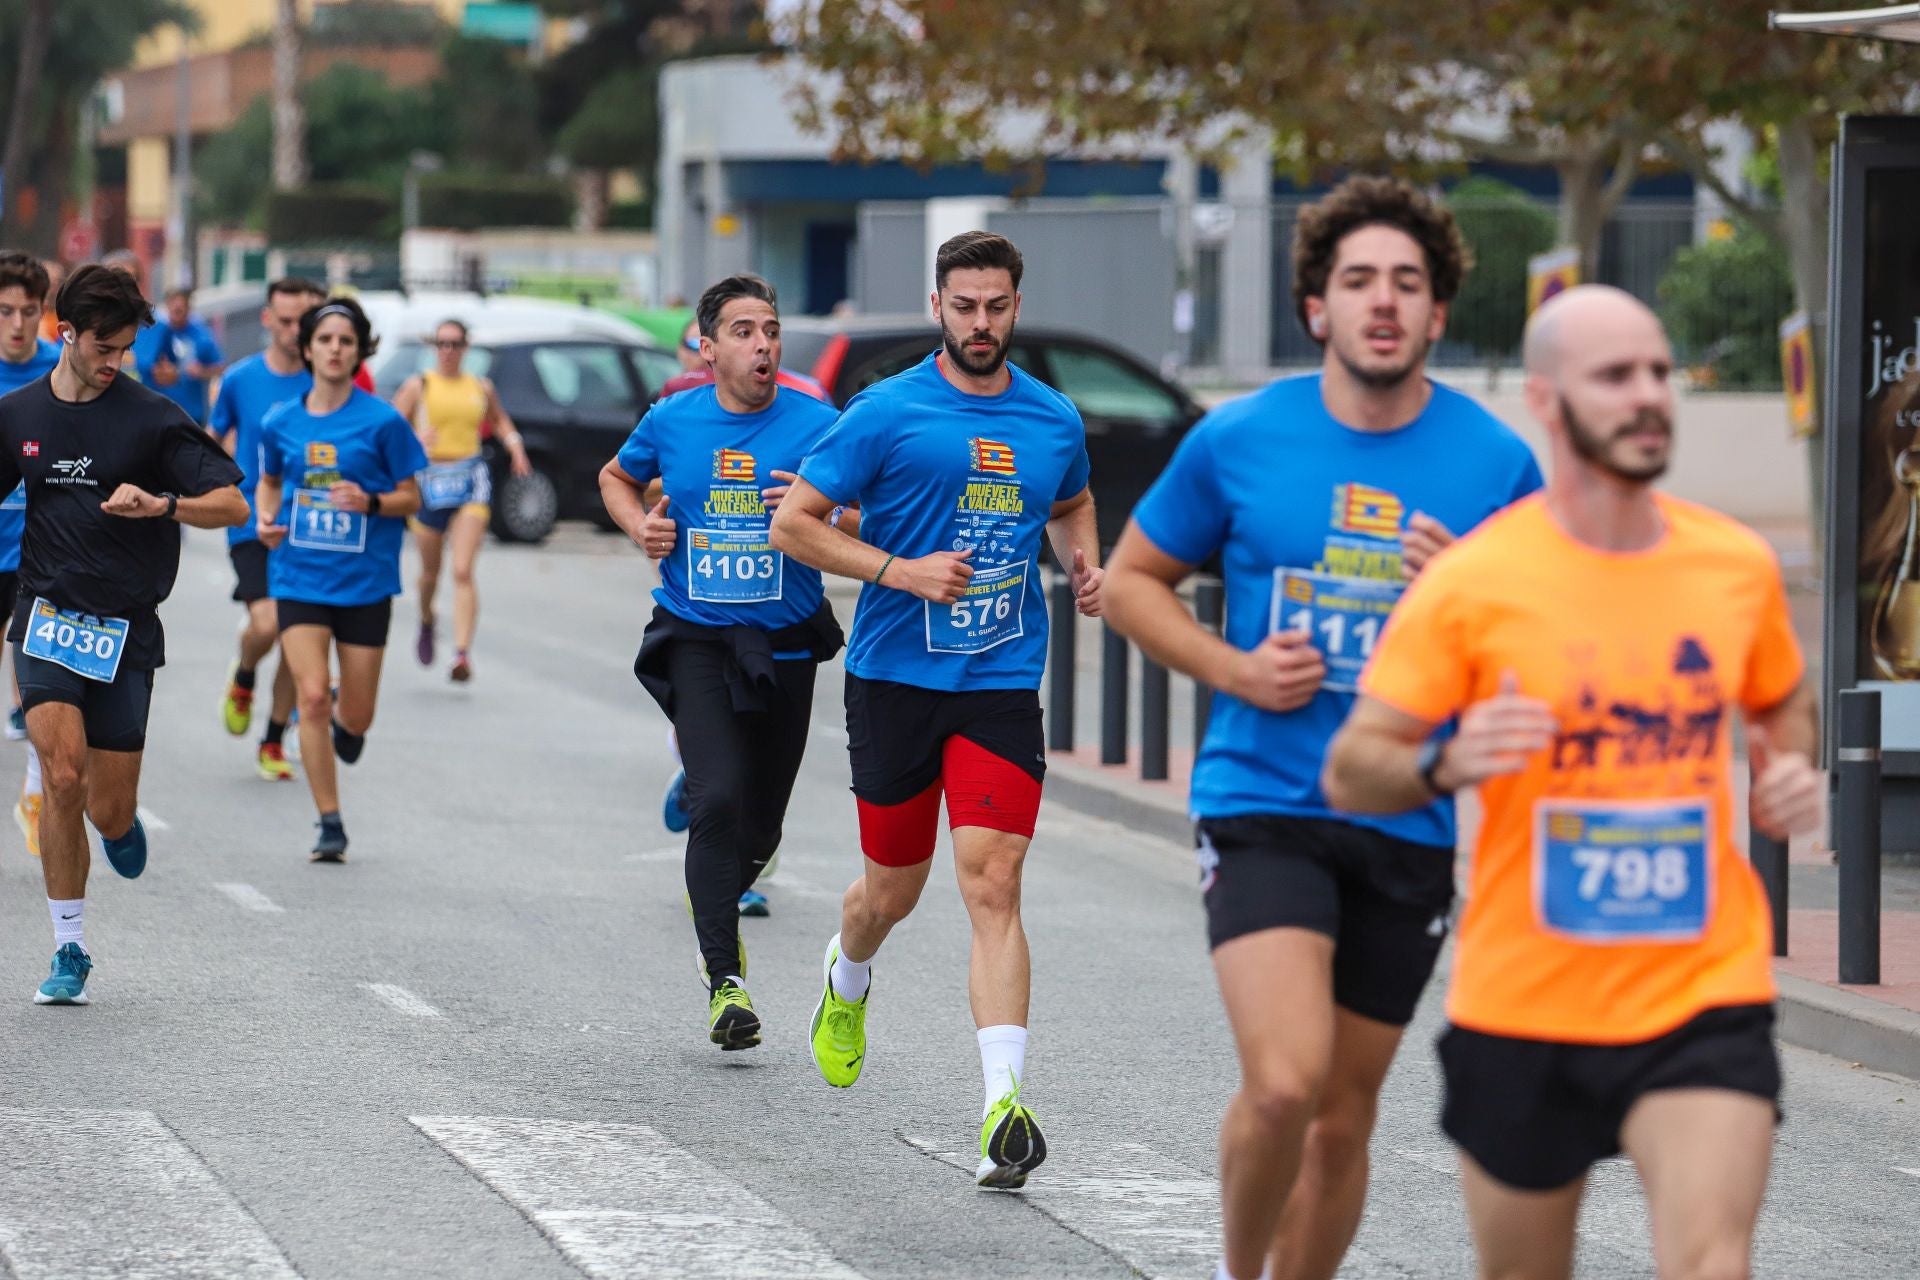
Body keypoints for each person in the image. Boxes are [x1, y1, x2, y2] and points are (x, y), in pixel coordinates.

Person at [1322, 285, 1824, 1280]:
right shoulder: (1473, 581)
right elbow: (1352, 768)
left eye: (1659, 372)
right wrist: (1447, 761)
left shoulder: (1734, 565)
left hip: (1701, 989)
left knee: (1714, 1262)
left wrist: (1788, 765)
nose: (1649, 395)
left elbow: (1782, 701)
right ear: (1548, 401)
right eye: (1615, 375)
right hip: (1525, 1001)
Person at [1101, 176, 1543, 1280]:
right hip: (1265, 799)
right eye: (1359, 280)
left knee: (1343, 1121)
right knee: (1284, 1082)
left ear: (1437, 313)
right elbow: (1133, 580)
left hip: (1407, 816)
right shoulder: (1241, 438)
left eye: (1407, 282)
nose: (1383, 300)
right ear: (1317, 307)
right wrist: (1235, 668)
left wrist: (1468, 597)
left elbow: (1550, 660)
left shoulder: (1498, 465)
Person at [769, 231, 1104, 1189]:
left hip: (1000, 681)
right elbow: (793, 524)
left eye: (996, 306)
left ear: (1015, 305)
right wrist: (899, 570)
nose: (981, 324)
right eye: (965, 307)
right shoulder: (887, 411)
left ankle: (1004, 1107)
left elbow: (1071, 502)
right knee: (892, 891)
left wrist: (1086, 563)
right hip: (895, 682)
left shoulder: (1052, 418)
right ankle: (847, 974)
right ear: (938, 307)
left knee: (994, 882)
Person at [600, 273, 848, 1050]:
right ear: (707, 349)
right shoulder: (673, 420)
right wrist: (640, 526)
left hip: (786, 642)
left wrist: (823, 510)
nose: (762, 344)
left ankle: (717, 892)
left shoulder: (818, 423)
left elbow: (872, 511)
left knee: (762, 826)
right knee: (717, 797)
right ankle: (724, 981)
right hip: (698, 635)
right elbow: (616, 476)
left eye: (770, 330)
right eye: (744, 331)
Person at [0, 264, 247, 1004]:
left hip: (124, 629)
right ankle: (68, 947)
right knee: (61, 775)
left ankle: (118, 825)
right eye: (103, 348)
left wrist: (165, 505)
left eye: (125, 350)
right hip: (45, 617)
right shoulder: (18, 416)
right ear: (66, 334)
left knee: (106, 806)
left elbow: (231, 504)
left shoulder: (151, 417)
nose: (115, 363)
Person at [256, 298, 428, 862]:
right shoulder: (280, 422)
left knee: (356, 716)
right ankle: (329, 822)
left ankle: (347, 724)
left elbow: (412, 496)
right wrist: (265, 519)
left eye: (346, 341)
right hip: (298, 579)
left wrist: (371, 501)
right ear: (307, 348)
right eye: (325, 339)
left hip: (365, 585)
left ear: (359, 353)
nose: (335, 349)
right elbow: (270, 482)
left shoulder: (383, 421)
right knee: (310, 697)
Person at [210, 278, 326, 780]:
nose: (294, 330)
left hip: (312, 526)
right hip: (253, 522)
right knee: (267, 625)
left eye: (304, 321)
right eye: (285, 321)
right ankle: (244, 675)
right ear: (267, 320)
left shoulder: (325, 382)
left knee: (300, 636)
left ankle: (273, 740)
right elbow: (211, 439)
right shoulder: (240, 379)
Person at [389, 319, 530, 683]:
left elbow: (499, 420)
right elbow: (388, 429)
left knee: (463, 570)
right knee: (430, 573)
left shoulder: (480, 386)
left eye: (455, 344)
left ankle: (461, 653)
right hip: (429, 481)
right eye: (442, 343)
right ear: (434, 347)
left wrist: (515, 447)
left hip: (469, 478)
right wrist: (413, 443)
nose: (448, 351)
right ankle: (426, 618)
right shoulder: (419, 385)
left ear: (466, 347)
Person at [0, 252, 61, 854]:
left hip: (44, 553)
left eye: (27, 311)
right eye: (4, 312)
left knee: (44, 688)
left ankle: (36, 794)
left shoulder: (60, 370)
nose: (17, 324)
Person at [660, 313, 829, 401]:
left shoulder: (806, 391)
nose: (706, 354)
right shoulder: (674, 391)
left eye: (771, 333)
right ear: (680, 350)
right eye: (695, 344)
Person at [136, 287, 223, 425]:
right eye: (173, 307)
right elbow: (140, 362)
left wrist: (201, 371)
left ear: (189, 308)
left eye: (181, 309)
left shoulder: (201, 335)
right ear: (167, 306)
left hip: (190, 413)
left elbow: (220, 367)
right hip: (159, 412)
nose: (177, 311)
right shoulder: (156, 332)